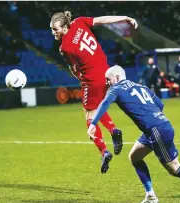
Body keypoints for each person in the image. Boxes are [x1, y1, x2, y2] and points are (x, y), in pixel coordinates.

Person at [88, 65, 180, 203]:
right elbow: (159, 105)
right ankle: (150, 196)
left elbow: (105, 103)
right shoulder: (141, 86)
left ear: (117, 77)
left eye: (108, 79)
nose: (107, 83)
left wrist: (93, 123)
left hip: (156, 130)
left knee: (175, 168)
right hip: (157, 127)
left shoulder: (115, 89)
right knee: (134, 157)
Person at [50, 11, 138, 173]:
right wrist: (124, 17)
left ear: (64, 27)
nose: (53, 32)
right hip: (106, 71)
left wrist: (80, 79)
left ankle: (104, 151)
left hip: (92, 80)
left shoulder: (65, 47)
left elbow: (74, 68)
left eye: (55, 29)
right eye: (52, 29)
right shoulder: (79, 22)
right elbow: (102, 19)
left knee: (89, 116)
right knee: (97, 107)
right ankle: (114, 130)